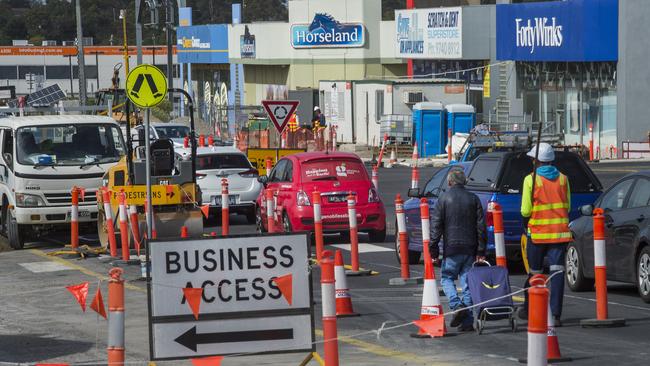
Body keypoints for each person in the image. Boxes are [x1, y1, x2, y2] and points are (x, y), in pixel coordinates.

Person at [519, 143, 571, 326]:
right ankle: (555, 315)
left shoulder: (530, 180)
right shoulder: (563, 179)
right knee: (557, 273)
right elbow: (568, 206)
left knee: (535, 274)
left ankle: (533, 310)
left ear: (537, 161)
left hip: (538, 235)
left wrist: (527, 224)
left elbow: (525, 210)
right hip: (559, 235)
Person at [430, 168, 487, 332]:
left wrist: (433, 250)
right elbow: (481, 227)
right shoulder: (473, 198)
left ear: (449, 182)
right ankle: (468, 321)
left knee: (447, 278)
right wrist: (481, 250)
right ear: (465, 182)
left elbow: (436, 227)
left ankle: (456, 305)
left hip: (452, 247)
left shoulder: (443, 198)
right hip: (470, 248)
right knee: (467, 283)